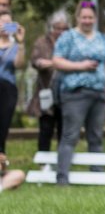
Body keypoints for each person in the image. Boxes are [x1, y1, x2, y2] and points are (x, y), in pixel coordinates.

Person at [52, 1, 105, 186]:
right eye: (84, 17)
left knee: (96, 135)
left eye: (90, 17)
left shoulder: (102, 38)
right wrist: (80, 66)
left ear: (95, 19)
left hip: (98, 92)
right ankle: (62, 178)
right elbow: (56, 61)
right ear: (78, 18)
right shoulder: (68, 37)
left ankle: (97, 175)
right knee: (70, 135)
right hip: (75, 93)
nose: (87, 20)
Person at [28, 10, 70, 152]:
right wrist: (58, 63)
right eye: (58, 28)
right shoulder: (42, 42)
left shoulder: (71, 41)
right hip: (46, 93)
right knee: (46, 129)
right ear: (52, 27)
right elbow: (36, 62)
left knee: (64, 130)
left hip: (66, 93)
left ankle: (61, 163)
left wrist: (51, 63)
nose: (61, 31)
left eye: (64, 28)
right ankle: (43, 164)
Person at [0, 9, 26, 155]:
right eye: (2, 22)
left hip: (8, 90)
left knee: (3, 127)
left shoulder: (15, 45)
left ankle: (1, 160)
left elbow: (19, 65)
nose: (5, 26)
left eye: (9, 23)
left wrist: (21, 42)